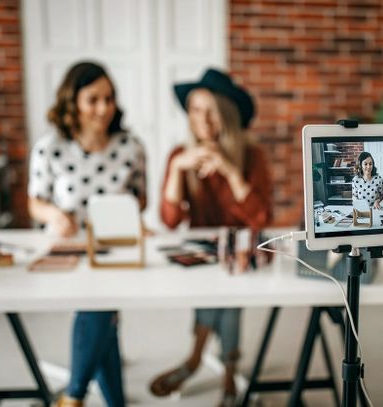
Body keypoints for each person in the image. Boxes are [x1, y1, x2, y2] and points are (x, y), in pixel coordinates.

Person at [149, 68, 272, 407]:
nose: (200, 119)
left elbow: (261, 218)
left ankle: (197, 360)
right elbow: (170, 221)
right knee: (219, 293)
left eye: (209, 109)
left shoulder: (252, 156)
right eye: (194, 109)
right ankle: (225, 371)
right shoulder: (180, 156)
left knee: (227, 293)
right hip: (204, 255)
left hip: (243, 254)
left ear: (227, 115)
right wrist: (177, 170)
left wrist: (230, 171)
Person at [28, 61, 147, 407]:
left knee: (101, 309)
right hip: (67, 250)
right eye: (93, 99)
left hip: (115, 249)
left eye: (109, 98)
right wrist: (53, 213)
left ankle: (76, 397)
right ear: (73, 102)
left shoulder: (130, 146)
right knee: (101, 310)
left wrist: (131, 218)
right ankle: (77, 395)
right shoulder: (49, 147)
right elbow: (35, 203)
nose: (104, 108)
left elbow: (141, 200)